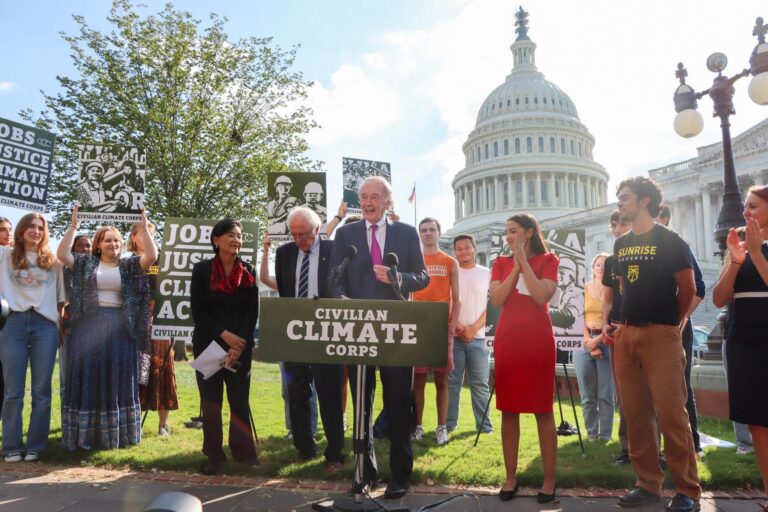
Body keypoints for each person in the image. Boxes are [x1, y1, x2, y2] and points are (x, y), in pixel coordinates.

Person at [330, 176, 429, 500]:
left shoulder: (406, 233)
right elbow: (336, 279)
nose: (368, 202)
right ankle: (365, 474)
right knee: (362, 404)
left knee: (399, 405)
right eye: (364, 196)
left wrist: (399, 277)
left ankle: (400, 476)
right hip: (357, 330)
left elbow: (423, 277)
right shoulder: (345, 234)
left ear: (388, 201)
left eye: (375, 196)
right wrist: (342, 300)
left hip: (396, 332)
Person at [605, 177, 700, 512]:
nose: (619, 202)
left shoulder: (671, 241)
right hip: (626, 335)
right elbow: (621, 288)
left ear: (644, 201)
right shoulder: (620, 245)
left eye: (624, 197)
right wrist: (618, 326)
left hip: (661, 334)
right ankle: (647, 484)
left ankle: (687, 489)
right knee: (636, 413)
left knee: (673, 414)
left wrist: (671, 324)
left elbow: (687, 289)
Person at [58, 207, 156, 451]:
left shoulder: (130, 265)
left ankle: (117, 435)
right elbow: (62, 254)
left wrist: (144, 229)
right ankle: (86, 436)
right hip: (88, 329)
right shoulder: (85, 264)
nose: (113, 244)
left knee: (117, 378)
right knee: (90, 377)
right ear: (98, 244)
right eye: (108, 240)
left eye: (117, 241)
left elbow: (151, 257)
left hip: (121, 329)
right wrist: (73, 226)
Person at [489, 213, 559, 504]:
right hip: (509, 341)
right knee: (509, 411)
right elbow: (496, 299)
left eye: (514, 231)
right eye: (507, 232)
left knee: (543, 410)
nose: (509, 236)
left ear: (529, 232)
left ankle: (549, 479)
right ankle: (510, 477)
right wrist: (515, 268)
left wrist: (525, 264)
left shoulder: (549, 260)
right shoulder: (500, 263)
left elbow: (542, 295)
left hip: (537, 341)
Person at [275, 207, 345, 474]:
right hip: (295, 334)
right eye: (294, 235)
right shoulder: (284, 254)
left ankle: (335, 452)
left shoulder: (334, 251)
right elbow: (284, 292)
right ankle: (304, 448)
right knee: (297, 393)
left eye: (303, 235)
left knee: (329, 394)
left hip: (327, 334)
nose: (299, 241)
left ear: (317, 230)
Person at [191, 218, 259, 475]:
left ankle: (243, 454)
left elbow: (251, 313)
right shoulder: (202, 271)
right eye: (230, 235)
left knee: (239, 400)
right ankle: (214, 456)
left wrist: (237, 343)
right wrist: (224, 336)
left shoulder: (249, 271)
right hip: (208, 345)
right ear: (216, 239)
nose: (236, 240)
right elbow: (199, 311)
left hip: (239, 348)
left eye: (239, 236)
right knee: (211, 402)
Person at [712, 184, 768, 501]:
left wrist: (758, 253)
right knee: (758, 424)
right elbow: (720, 298)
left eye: (754, 206)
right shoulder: (739, 249)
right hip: (744, 342)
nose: (746, 213)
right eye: (746, 206)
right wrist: (734, 261)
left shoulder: (757, 250)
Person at [0, 213, 65, 462]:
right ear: (20, 230)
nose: (35, 231)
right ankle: (12, 446)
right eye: (30, 226)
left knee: (41, 389)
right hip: (12, 324)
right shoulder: (5, 255)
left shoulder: (53, 261)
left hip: (44, 326)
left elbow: (60, 300)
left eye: (40, 227)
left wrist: (58, 325)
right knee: (13, 390)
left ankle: (36, 445)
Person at [260, 232, 319, 441]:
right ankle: (293, 429)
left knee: (312, 389)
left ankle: (310, 430)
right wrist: (266, 251)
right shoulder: (287, 281)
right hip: (289, 336)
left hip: (315, 334)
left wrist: (338, 216)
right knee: (289, 388)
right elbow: (265, 278)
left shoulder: (317, 273)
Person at [658, 205, 706, 458]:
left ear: (664, 218)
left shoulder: (677, 245)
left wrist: (681, 318)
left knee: (680, 386)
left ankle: (693, 444)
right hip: (652, 328)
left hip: (675, 327)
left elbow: (698, 287)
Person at [411, 217, 460, 445]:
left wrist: (452, 323)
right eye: (424, 230)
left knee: (442, 378)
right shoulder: (415, 259)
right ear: (419, 235)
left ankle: (442, 428)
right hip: (419, 323)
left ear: (439, 233)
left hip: (442, 323)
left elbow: (457, 297)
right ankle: (418, 426)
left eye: (432, 230)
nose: (428, 233)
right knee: (418, 379)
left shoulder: (450, 262)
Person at [131, 221, 179, 437]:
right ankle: (132, 420)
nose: (147, 237)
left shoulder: (163, 262)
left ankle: (163, 425)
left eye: (150, 233)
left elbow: (170, 289)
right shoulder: (127, 262)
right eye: (142, 233)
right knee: (137, 372)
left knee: (162, 370)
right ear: (133, 238)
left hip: (160, 324)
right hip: (134, 327)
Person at [447, 234, 493, 435]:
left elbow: (493, 305)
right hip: (454, 337)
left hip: (479, 336)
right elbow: (446, 302)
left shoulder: (487, 274)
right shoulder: (451, 273)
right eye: (459, 248)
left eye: (467, 247)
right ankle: (448, 425)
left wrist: (472, 329)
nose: (463, 251)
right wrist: (456, 324)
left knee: (480, 384)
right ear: (455, 251)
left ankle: (484, 427)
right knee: (452, 382)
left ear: (474, 248)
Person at [601, 210, 632, 465]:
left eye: (623, 223)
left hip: (640, 328)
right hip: (616, 331)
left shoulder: (648, 254)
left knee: (650, 396)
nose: (618, 228)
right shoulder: (611, 262)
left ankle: (653, 450)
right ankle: (627, 449)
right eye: (615, 225)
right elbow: (608, 298)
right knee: (623, 393)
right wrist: (605, 323)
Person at [574, 253, 614, 442]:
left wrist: (597, 341)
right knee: (587, 395)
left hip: (606, 342)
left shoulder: (613, 289)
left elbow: (614, 319)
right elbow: (578, 316)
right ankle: (591, 434)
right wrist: (588, 341)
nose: (600, 268)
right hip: (584, 343)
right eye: (597, 265)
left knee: (605, 394)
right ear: (592, 268)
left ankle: (605, 435)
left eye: (604, 265)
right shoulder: (583, 289)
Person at [59, 234, 92, 404]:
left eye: (88, 246)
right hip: (68, 329)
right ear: (73, 249)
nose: (85, 249)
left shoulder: (97, 270)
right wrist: (64, 325)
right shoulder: (65, 270)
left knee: (88, 376)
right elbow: (62, 300)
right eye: (80, 246)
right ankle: (67, 420)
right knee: (67, 376)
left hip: (90, 331)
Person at [0, 216, 13, 422]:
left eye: (9, 229)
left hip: (9, 321)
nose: (7, 232)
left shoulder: (15, 256)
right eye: (2, 229)